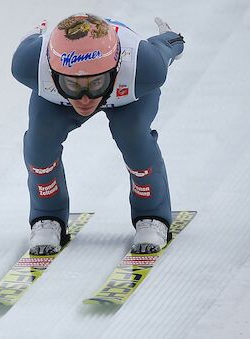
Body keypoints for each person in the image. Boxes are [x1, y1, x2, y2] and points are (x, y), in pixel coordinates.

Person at [11, 13, 185, 255]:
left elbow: (164, 48)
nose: (85, 98)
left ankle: (152, 215)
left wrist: (170, 39)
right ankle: (47, 217)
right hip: (76, 97)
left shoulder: (144, 67)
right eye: (73, 84)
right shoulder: (28, 64)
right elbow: (28, 44)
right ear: (50, 72)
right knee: (40, 145)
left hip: (126, 97)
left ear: (116, 68)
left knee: (133, 136)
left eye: (96, 83)